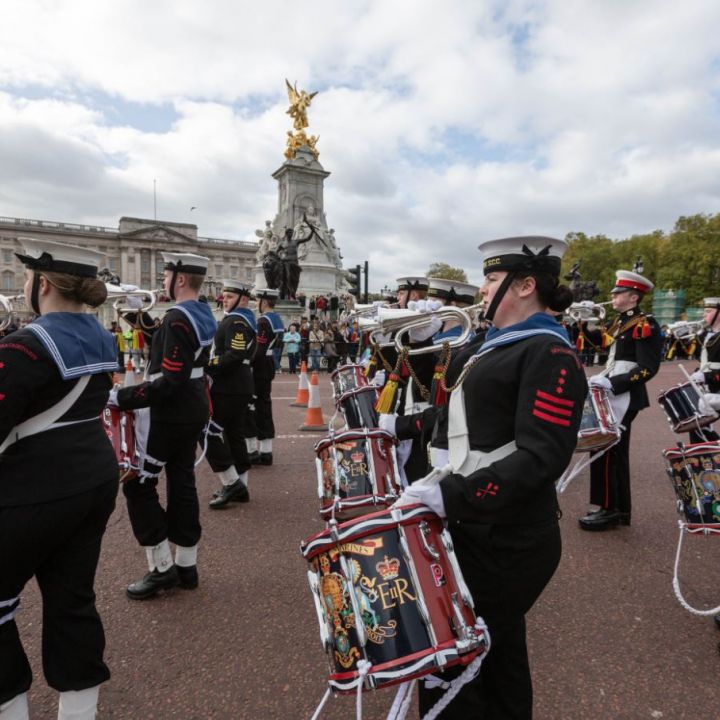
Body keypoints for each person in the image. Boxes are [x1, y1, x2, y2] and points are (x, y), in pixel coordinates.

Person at [396, 236, 586, 718]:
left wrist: (452, 497)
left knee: (455, 661)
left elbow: (542, 457)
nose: (481, 289)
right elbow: (458, 421)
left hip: (509, 535)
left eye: (492, 279)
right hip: (478, 524)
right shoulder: (490, 347)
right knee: (498, 659)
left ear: (525, 286)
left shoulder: (549, 354)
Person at [0, 239, 119, 720]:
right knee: (72, 599)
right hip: (92, 478)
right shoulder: (102, 336)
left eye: (27, 278)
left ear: (42, 283)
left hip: (31, 488)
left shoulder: (22, 346)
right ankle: (79, 711)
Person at [113, 252, 216, 598]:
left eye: (167, 274)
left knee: (138, 484)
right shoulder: (201, 312)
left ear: (181, 280)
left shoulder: (176, 318)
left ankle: (160, 567)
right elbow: (173, 342)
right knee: (182, 480)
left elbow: (168, 381)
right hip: (193, 406)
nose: (162, 280)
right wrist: (134, 313)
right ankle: (187, 565)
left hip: (170, 411)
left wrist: (121, 398)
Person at [579, 270, 663, 530]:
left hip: (625, 393)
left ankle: (611, 509)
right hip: (614, 391)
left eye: (618, 293)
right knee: (606, 449)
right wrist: (585, 322)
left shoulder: (645, 323)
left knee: (610, 450)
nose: (613, 296)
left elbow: (649, 366)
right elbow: (603, 347)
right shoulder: (623, 321)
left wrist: (614, 383)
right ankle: (613, 507)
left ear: (633, 297)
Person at [205, 280, 256, 508]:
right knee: (235, 435)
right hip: (237, 385)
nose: (223, 299)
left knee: (208, 431)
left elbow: (234, 355)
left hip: (230, 386)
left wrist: (205, 364)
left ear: (242, 299)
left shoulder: (236, 321)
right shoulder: (237, 319)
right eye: (223, 296)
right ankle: (241, 487)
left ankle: (231, 481)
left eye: (228, 296)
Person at [246, 288, 284, 465]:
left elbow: (259, 350)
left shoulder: (263, 321)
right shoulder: (277, 319)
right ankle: (266, 451)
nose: (255, 303)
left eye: (257, 299)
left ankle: (252, 450)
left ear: (265, 302)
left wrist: (247, 363)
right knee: (265, 405)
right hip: (269, 364)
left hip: (259, 367)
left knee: (252, 406)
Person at [690, 297, 720, 443]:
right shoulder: (706, 335)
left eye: (708, 311)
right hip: (706, 386)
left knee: (700, 423)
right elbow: (703, 360)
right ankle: (703, 460)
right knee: (696, 423)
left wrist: (706, 376)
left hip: (716, 386)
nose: (704, 315)